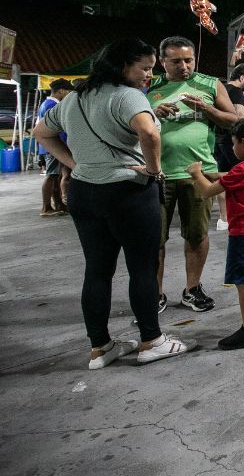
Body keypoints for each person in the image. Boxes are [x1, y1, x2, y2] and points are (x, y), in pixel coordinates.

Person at [32, 39, 192, 367]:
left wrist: (75, 164)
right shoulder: (128, 95)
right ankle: (151, 340)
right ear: (122, 66)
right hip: (128, 192)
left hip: (85, 193)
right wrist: (154, 169)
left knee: (97, 270)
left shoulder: (74, 98)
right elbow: (149, 134)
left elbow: (41, 133)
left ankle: (100, 347)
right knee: (142, 267)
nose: (149, 74)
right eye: (144, 68)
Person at [149, 37, 238, 313]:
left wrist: (206, 109)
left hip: (198, 173)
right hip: (157, 174)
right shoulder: (149, 86)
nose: (184, 66)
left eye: (189, 60)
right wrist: (152, 113)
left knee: (197, 235)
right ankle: (155, 293)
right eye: (176, 61)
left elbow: (234, 119)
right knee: (154, 239)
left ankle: (192, 289)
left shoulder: (211, 84)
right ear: (162, 61)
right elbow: (128, 121)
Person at [185, 115, 244, 350]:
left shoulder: (243, 169)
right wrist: (217, 174)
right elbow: (232, 177)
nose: (232, 146)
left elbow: (207, 192)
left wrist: (197, 173)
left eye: (234, 142)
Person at [215, 64, 244, 232]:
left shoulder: (222, 90)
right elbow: (239, 116)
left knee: (223, 179)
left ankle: (223, 219)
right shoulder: (237, 92)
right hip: (233, 142)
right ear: (241, 78)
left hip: (218, 139)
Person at [37, 79, 73, 217]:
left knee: (56, 176)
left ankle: (58, 204)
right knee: (51, 176)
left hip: (51, 146)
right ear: (61, 91)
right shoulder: (52, 105)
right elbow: (56, 128)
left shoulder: (46, 103)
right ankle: (46, 207)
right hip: (53, 146)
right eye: (68, 91)